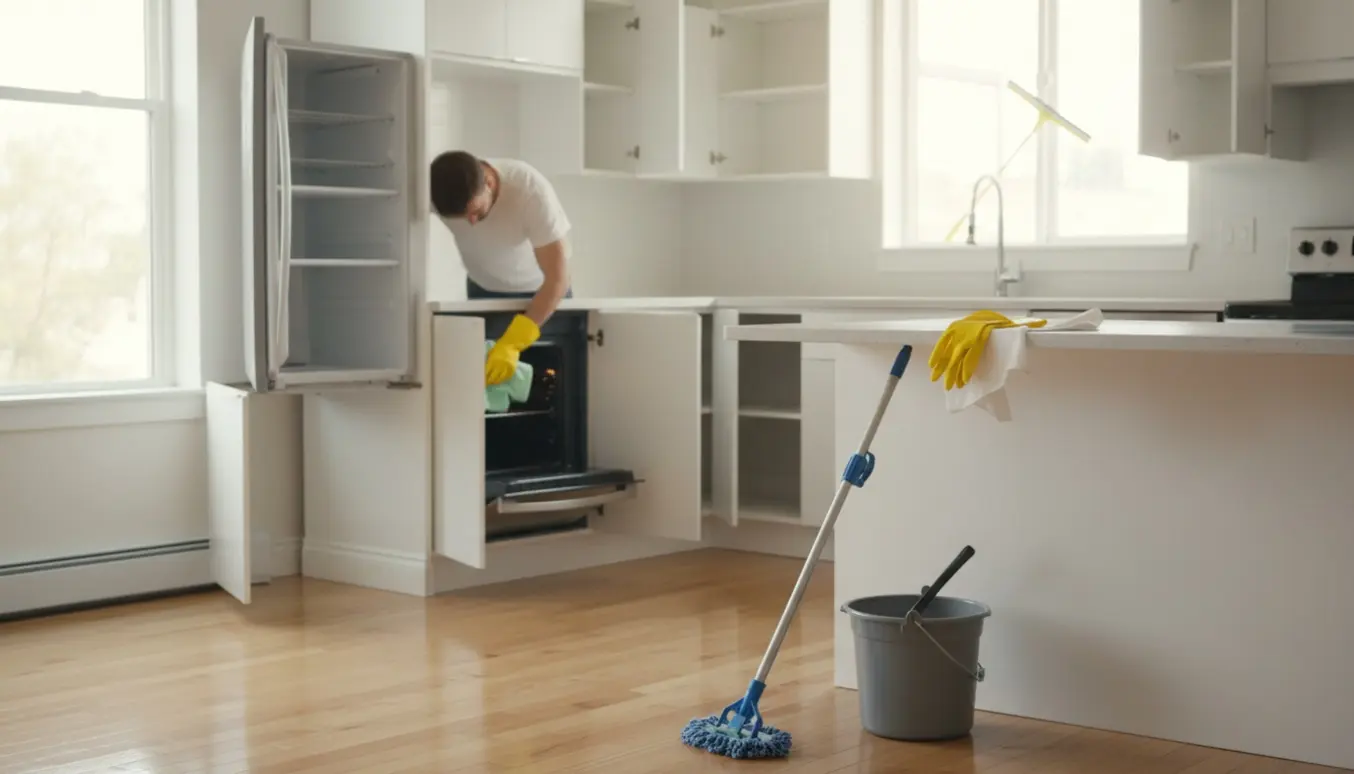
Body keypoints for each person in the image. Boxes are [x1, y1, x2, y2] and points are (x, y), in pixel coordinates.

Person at [430, 151, 573, 385]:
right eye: (461, 217)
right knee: (487, 384)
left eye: (475, 211)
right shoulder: (433, 189)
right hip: (483, 291)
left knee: (546, 378)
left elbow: (558, 279)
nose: (472, 223)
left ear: (489, 182)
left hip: (541, 294)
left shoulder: (530, 190)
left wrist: (513, 343)